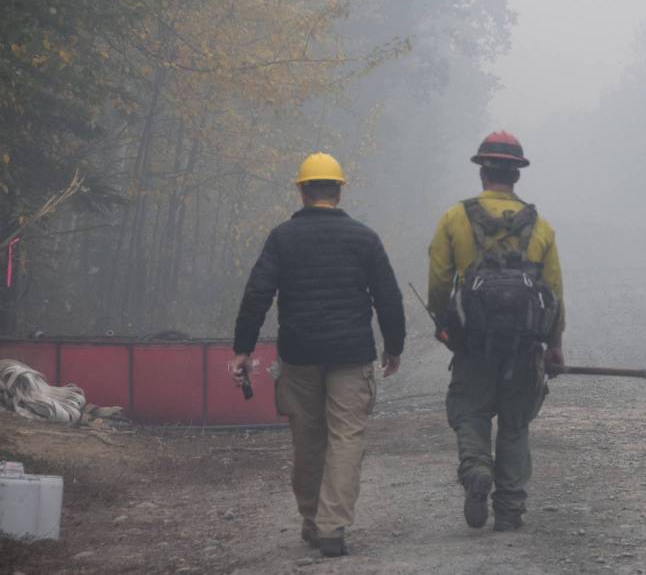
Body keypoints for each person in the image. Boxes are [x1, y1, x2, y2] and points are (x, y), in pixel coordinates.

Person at [230, 152, 405, 558]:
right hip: (351, 354)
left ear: (302, 190)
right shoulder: (364, 238)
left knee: (307, 438)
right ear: (339, 191)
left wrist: (243, 348)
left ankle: (311, 519)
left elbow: (258, 293)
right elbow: (388, 299)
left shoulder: (282, 238)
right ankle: (332, 527)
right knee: (346, 438)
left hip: (300, 354)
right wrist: (393, 347)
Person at [427, 131, 566, 532]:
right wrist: (554, 344)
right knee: (515, 422)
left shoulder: (455, 218)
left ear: (483, 171)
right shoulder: (540, 225)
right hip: (524, 346)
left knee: (470, 411)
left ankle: (475, 469)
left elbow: (438, 278)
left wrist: (445, 323)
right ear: (516, 176)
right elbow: (554, 293)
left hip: (472, 344)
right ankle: (509, 508)